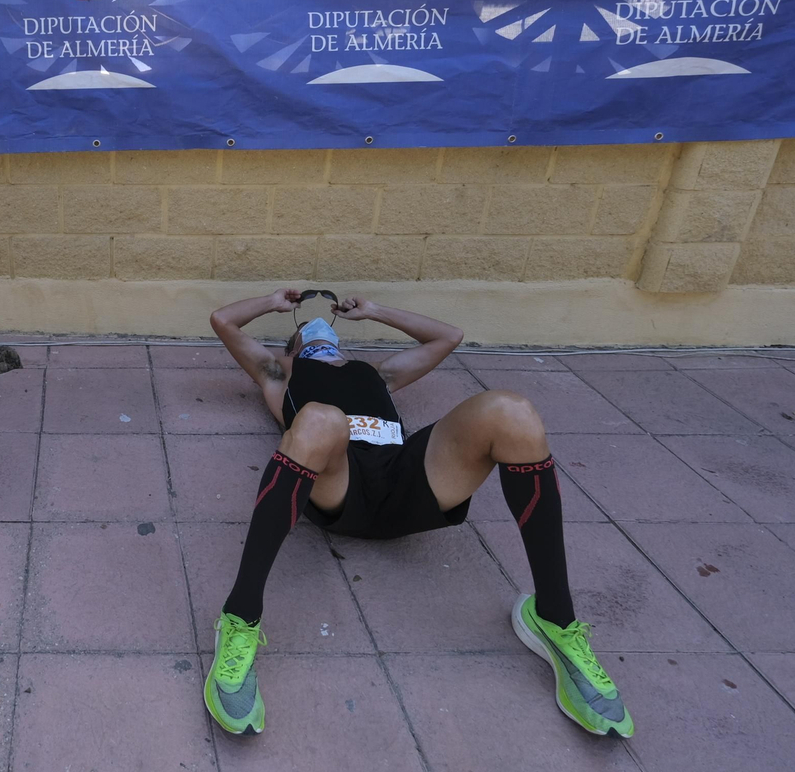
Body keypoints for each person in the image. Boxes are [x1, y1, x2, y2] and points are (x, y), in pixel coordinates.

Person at [202, 287, 632, 739]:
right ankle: (240, 617)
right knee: (319, 419)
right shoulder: (279, 373)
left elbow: (449, 336)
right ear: (292, 348)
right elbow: (222, 320)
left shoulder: (377, 374)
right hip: (338, 482)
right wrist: (272, 303)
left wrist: (375, 312)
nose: (319, 334)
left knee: (512, 411)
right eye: (306, 337)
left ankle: (554, 618)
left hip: (408, 481)